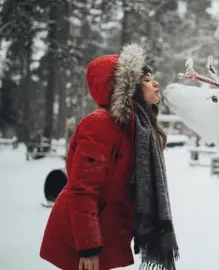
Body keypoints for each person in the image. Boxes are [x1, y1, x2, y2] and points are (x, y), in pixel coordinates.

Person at [40, 43, 179, 270]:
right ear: (127, 88)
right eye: (145, 80)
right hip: (80, 239)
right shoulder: (100, 125)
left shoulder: (137, 128)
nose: (155, 83)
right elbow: (82, 189)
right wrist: (88, 248)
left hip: (108, 231)